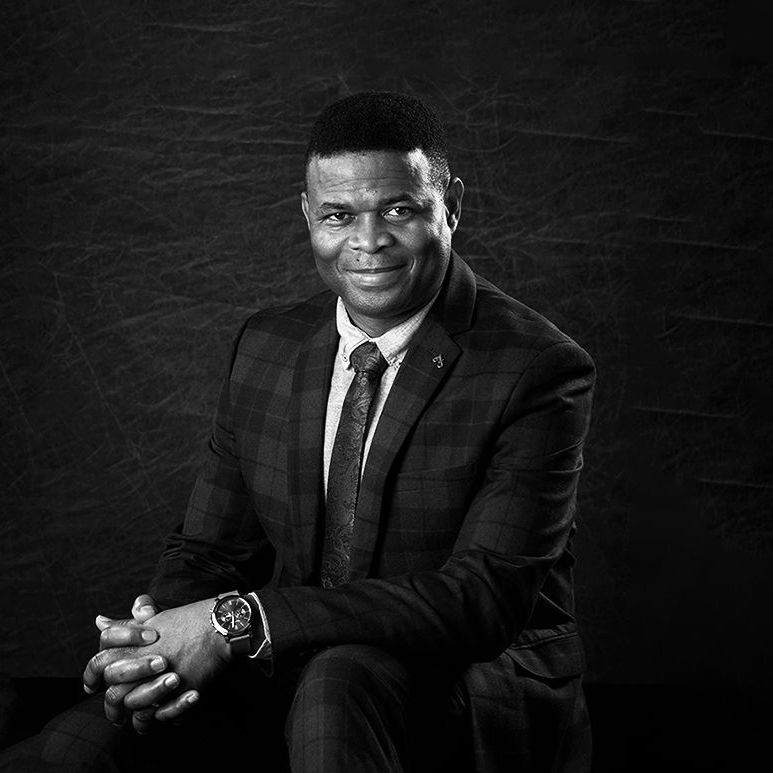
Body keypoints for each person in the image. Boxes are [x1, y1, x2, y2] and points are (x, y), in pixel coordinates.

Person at [2, 91, 595, 772]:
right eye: (338, 216)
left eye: (398, 210)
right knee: (80, 747)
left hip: (465, 682)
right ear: (308, 216)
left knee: (337, 682)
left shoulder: (536, 367)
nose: (367, 242)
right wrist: (154, 640)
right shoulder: (268, 344)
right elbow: (208, 550)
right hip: (281, 664)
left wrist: (236, 622)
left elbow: (478, 602)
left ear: (451, 206)